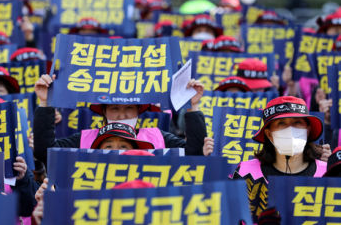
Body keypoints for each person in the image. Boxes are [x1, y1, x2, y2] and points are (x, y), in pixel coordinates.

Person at [33, 74, 207, 166]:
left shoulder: (158, 137)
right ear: (104, 112)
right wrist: (45, 102)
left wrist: (193, 106)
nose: (122, 116)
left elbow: (194, 154)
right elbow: (45, 153)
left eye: (129, 109)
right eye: (115, 109)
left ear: (139, 111)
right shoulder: (84, 139)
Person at [234, 96, 328, 181]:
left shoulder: (328, 173)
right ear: (269, 134)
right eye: (281, 123)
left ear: (308, 130)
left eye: (297, 122)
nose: (290, 129)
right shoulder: (245, 172)